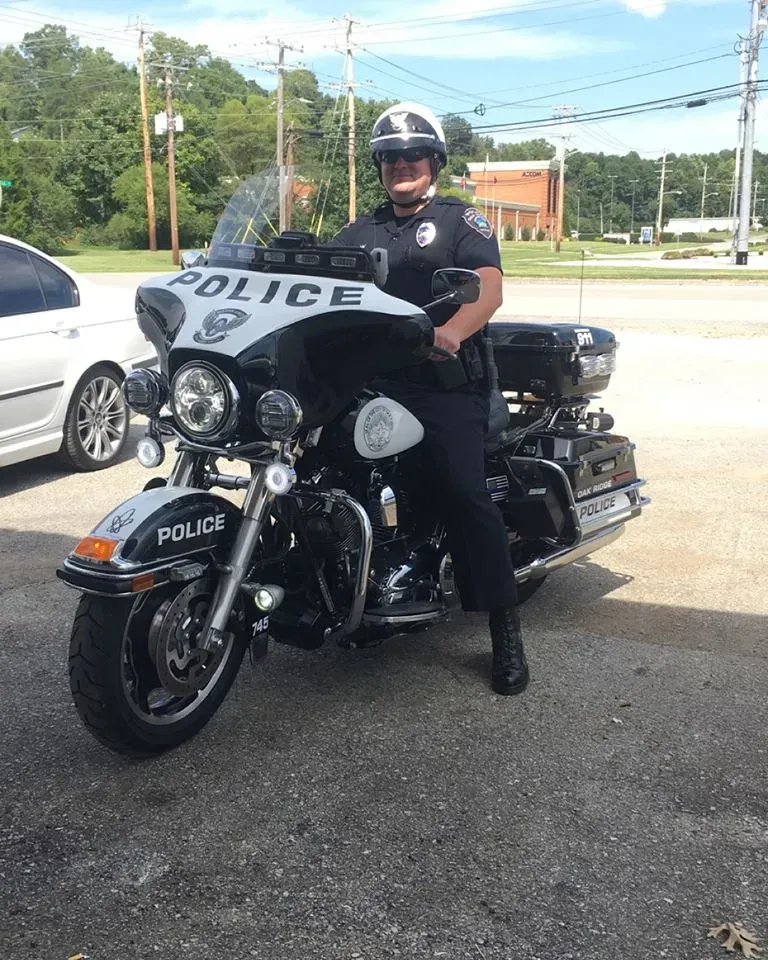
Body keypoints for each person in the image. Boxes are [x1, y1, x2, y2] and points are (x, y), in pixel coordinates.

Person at [333, 102, 528, 696]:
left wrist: (451, 332)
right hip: (376, 381)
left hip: (447, 382)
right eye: (389, 158)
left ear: (435, 161)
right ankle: (357, 589)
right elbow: (319, 284)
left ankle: (505, 627)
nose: (401, 166)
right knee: (319, 469)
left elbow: (488, 291)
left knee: (466, 494)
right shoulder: (360, 229)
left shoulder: (460, 222)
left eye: (413, 155)